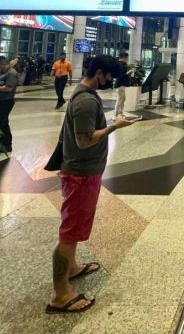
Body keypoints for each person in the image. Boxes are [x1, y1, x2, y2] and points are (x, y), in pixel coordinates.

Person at [47, 55, 141, 315]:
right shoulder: (87, 101)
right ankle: (60, 294)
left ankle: (73, 267)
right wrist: (114, 126)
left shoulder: (83, 93)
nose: (110, 82)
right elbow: (84, 141)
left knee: (75, 228)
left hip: (83, 172)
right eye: (109, 77)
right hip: (80, 175)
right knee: (69, 233)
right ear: (100, 72)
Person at [114, 52, 132, 119]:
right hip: (120, 84)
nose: (127, 59)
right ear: (124, 58)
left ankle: (121, 113)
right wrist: (128, 73)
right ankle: (115, 115)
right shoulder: (120, 65)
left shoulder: (123, 64)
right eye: (127, 58)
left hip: (122, 84)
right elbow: (120, 75)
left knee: (123, 99)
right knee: (119, 99)